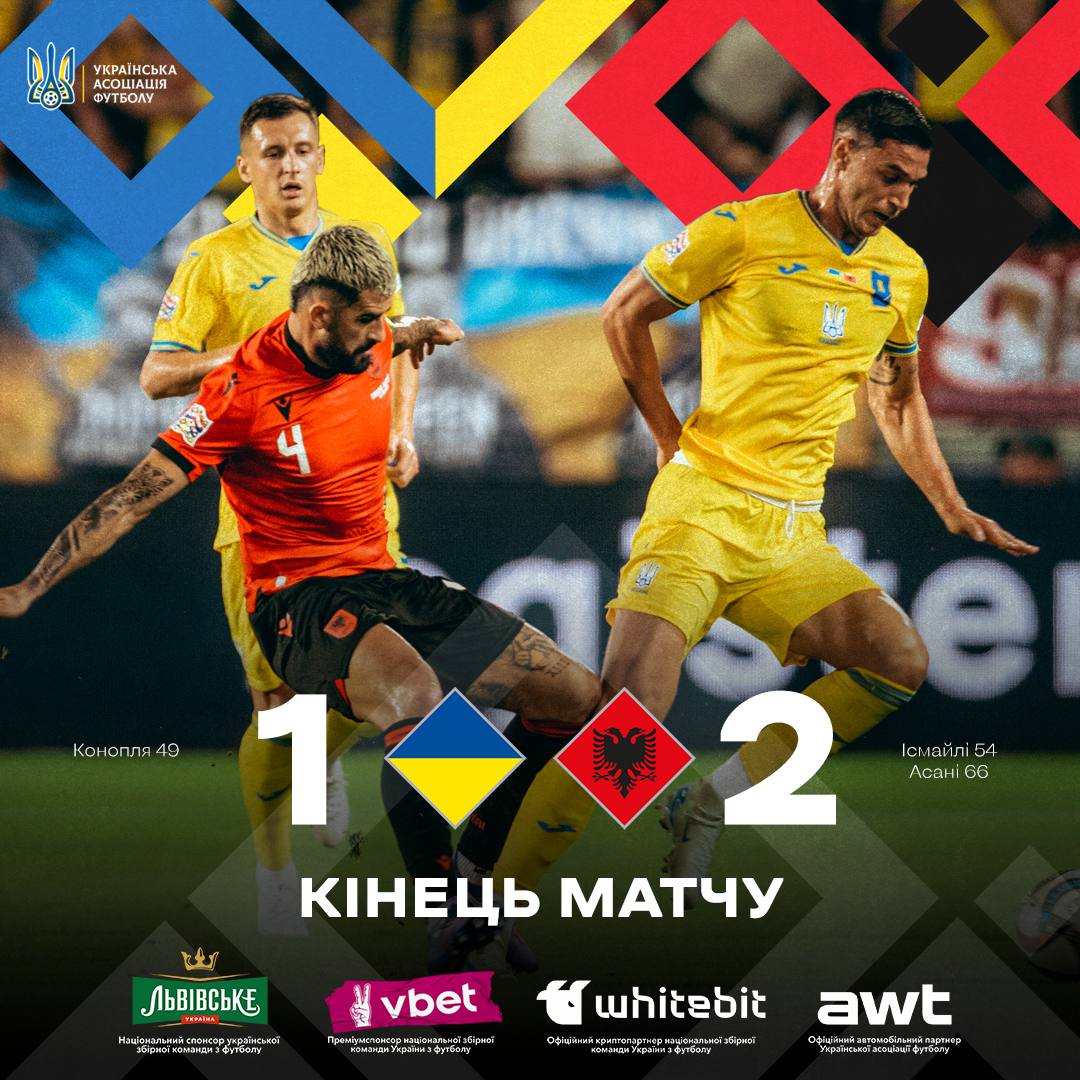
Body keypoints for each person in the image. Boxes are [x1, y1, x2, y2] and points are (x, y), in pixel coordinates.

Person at [0, 225, 600, 967]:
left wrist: (418, 335)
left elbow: (397, 337)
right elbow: (128, 499)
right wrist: (28, 587)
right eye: (369, 319)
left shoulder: (368, 339)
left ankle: (475, 872)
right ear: (319, 314)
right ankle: (443, 912)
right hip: (299, 603)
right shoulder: (241, 390)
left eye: (384, 318)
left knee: (576, 697)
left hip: (387, 579)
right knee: (418, 702)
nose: (380, 332)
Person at [508, 89, 1038, 895]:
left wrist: (948, 502)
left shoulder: (903, 272)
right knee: (626, 730)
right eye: (890, 175)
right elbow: (623, 314)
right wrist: (665, 434)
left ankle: (708, 803)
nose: (900, 199)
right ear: (843, 153)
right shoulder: (742, 230)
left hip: (792, 534)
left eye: (914, 185)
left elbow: (897, 400)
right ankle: (488, 907)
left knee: (895, 661)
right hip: (702, 511)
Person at [140, 93, 452, 936]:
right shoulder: (214, 260)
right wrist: (254, 354)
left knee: (399, 679)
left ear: (321, 158)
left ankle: (444, 874)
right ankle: (276, 872)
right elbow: (158, 375)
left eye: (302, 149)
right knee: (279, 709)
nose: (288, 165)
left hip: (360, 512)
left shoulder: (362, 245)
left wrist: (402, 431)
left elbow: (394, 341)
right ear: (245, 168)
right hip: (261, 527)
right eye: (271, 152)